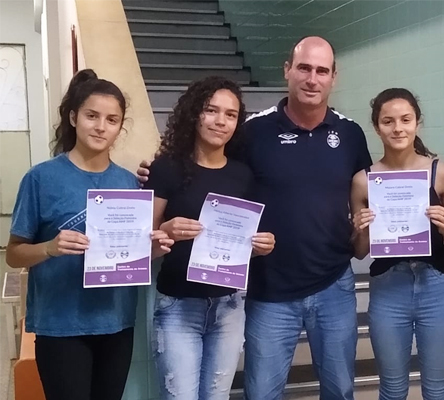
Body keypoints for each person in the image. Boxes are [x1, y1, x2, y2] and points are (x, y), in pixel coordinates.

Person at [5, 69, 173, 400]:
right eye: (91, 116)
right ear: (73, 117)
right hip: (61, 325)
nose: (100, 126)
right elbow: (13, 254)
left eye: (111, 119)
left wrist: (154, 246)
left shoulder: (129, 183)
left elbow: (131, 254)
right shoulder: (41, 179)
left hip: (116, 323)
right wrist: (50, 248)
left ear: (119, 127)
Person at [143, 76, 276, 400]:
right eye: (211, 110)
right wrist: (166, 233)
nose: (221, 121)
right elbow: (143, 250)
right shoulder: (166, 169)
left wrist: (260, 247)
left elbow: (243, 243)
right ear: (194, 114)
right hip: (178, 307)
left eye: (230, 114)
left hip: (229, 306)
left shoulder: (243, 175)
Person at [350, 88, 444, 400]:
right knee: (392, 388)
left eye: (405, 119)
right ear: (376, 127)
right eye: (388, 121)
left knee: (438, 389)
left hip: (436, 285)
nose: (397, 128)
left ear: (417, 123)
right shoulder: (364, 179)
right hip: (388, 287)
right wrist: (361, 229)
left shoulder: (440, 172)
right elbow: (360, 250)